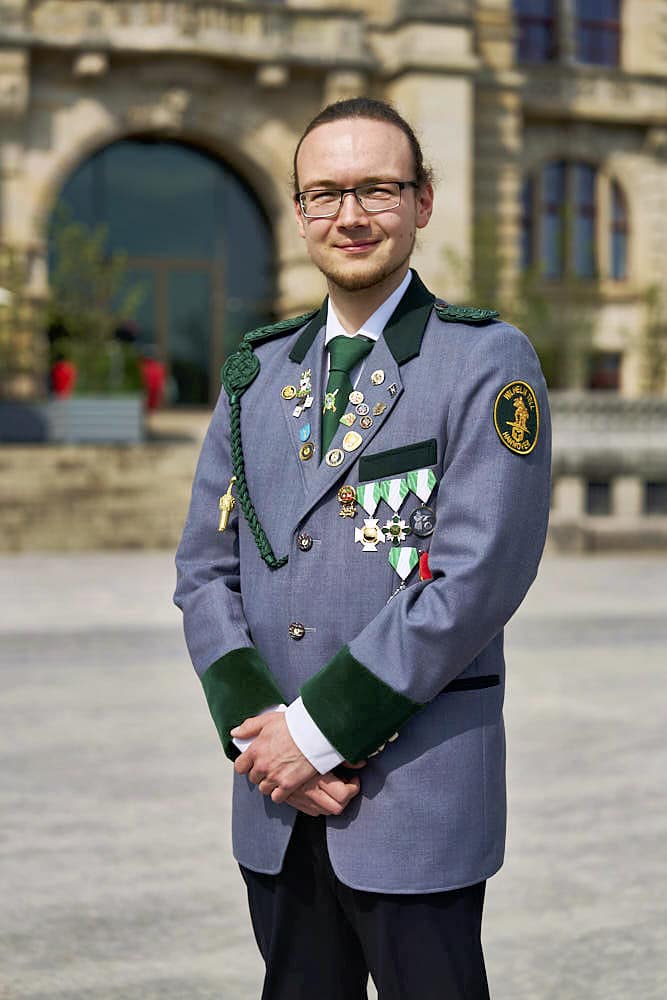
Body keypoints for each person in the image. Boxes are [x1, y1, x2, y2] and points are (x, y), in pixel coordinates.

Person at [174, 97, 551, 999]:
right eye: (325, 193)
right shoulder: (255, 374)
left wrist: (315, 734)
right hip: (274, 800)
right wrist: (266, 742)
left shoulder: (484, 362)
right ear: (298, 211)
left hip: (411, 795)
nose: (350, 215)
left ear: (422, 202)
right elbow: (203, 570)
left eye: (378, 189)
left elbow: (475, 576)